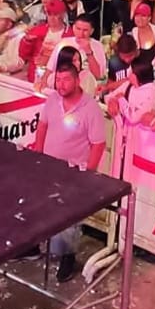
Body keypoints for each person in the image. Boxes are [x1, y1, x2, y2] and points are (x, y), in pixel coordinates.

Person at [30, 59, 107, 282]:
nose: (61, 85)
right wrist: (38, 152)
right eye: (58, 80)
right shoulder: (53, 99)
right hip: (48, 165)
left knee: (68, 218)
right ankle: (33, 246)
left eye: (66, 80)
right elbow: (42, 125)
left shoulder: (90, 108)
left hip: (74, 170)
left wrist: (88, 173)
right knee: (40, 207)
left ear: (76, 80)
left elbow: (98, 144)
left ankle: (67, 258)